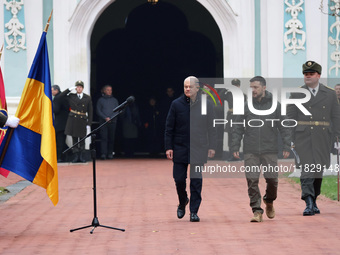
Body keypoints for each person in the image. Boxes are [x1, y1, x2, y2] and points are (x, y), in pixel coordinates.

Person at [230, 76, 291, 222]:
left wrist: (287, 145)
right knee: (252, 180)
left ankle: (269, 200)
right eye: (251, 87)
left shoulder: (276, 105)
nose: (253, 90)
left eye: (256, 87)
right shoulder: (245, 105)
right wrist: (235, 145)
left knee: (272, 180)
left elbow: (284, 127)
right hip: (250, 149)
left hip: (269, 148)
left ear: (264, 87)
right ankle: (257, 210)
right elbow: (237, 127)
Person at [287, 61, 340, 216]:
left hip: (323, 137)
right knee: (307, 170)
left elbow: (336, 116)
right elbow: (290, 117)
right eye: (306, 74)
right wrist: (289, 138)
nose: (308, 76)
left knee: (318, 170)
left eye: (311, 74)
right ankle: (308, 201)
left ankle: (314, 199)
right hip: (303, 137)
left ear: (318, 75)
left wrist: (338, 135)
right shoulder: (297, 93)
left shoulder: (329, 93)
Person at [165, 76, 216, 222]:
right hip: (180, 147)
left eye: (190, 86)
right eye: (185, 86)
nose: (187, 89)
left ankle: (194, 211)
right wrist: (168, 147)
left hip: (198, 148)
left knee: (196, 181)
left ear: (197, 88)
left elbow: (212, 127)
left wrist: (212, 146)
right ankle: (182, 201)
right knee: (179, 179)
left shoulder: (206, 104)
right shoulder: (176, 104)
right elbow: (169, 128)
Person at [60, 80, 93, 163]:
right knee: (74, 139)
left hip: (82, 120)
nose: (79, 88)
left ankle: (82, 157)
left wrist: (89, 123)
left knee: (82, 139)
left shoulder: (87, 97)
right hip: (73, 119)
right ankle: (75, 157)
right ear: (75, 88)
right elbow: (60, 96)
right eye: (77, 87)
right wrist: (69, 89)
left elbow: (90, 111)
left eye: (80, 87)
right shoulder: (71, 96)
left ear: (82, 88)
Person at [96, 85, 119, 160]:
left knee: (111, 138)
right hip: (103, 122)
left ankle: (110, 153)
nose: (109, 91)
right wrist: (105, 117)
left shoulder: (115, 100)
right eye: (108, 90)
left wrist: (111, 118)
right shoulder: (100, 100)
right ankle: (103, 153)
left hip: (113, 121)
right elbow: (98, 110)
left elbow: (117, 110)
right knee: (104, 138)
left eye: (111, 90)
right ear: (104, 91)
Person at [52, 85, 69, 162]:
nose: (51, 92)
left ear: (57, 90)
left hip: (60, 124)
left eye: (52, 90)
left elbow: (56, 110)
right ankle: (64, 156)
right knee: (61, 141)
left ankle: (60, 157)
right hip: (65, 123)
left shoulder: (57, 98)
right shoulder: (63, 97)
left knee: (59, 142)